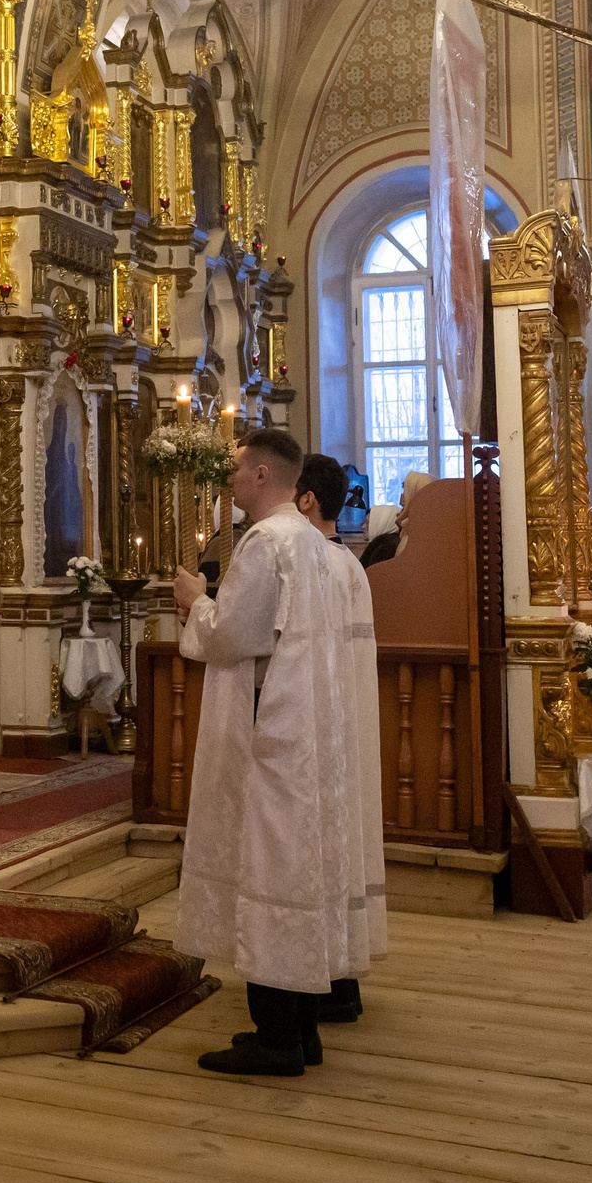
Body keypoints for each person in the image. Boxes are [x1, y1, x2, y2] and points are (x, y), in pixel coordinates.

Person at [172, 429, 384, 1076]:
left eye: (238, 470)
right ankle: (296, 1028)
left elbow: (235, 634)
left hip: (271, 736)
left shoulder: (266, 543)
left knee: (270, 868)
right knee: (290, 868)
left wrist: (196, 601)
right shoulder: (318, 547)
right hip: (304, 731)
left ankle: (279, 1037)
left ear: (263, 475)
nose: (232, 479)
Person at [293, 453, 385, 1028]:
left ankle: (326, 977)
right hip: (348, 727)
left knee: (322, 848)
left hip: (320, 731)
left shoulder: (313, 565)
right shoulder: (348, 563)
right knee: (344, 842)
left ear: (306, 500)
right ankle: (341, 979)